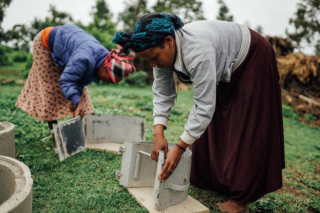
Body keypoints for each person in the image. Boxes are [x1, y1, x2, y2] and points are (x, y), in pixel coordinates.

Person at [112, 13, 285, 213]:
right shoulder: (159, 52)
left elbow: (203, 106)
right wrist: (158, 132)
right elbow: (162, 92)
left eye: (154, 58)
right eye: (148, 60)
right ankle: (212, 180)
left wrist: (179, 147)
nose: (153, 64)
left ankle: (240, 201)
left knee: (246, 128)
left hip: (252, 57)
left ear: (169, 42)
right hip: (224, 66)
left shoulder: (197, 51)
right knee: (214, 127)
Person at [16, 24, 135, 150]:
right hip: (45, 44)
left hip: (68, 44)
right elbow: (67, 80)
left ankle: (92, 135)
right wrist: (76, 101)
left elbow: (80, 79)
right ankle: (58, 142)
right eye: (106, 79)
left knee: (83, 95)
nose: (103, 81)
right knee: (51, 90)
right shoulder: (84, 58)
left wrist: (77, 100)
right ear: (105, 67)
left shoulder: (106, 57)